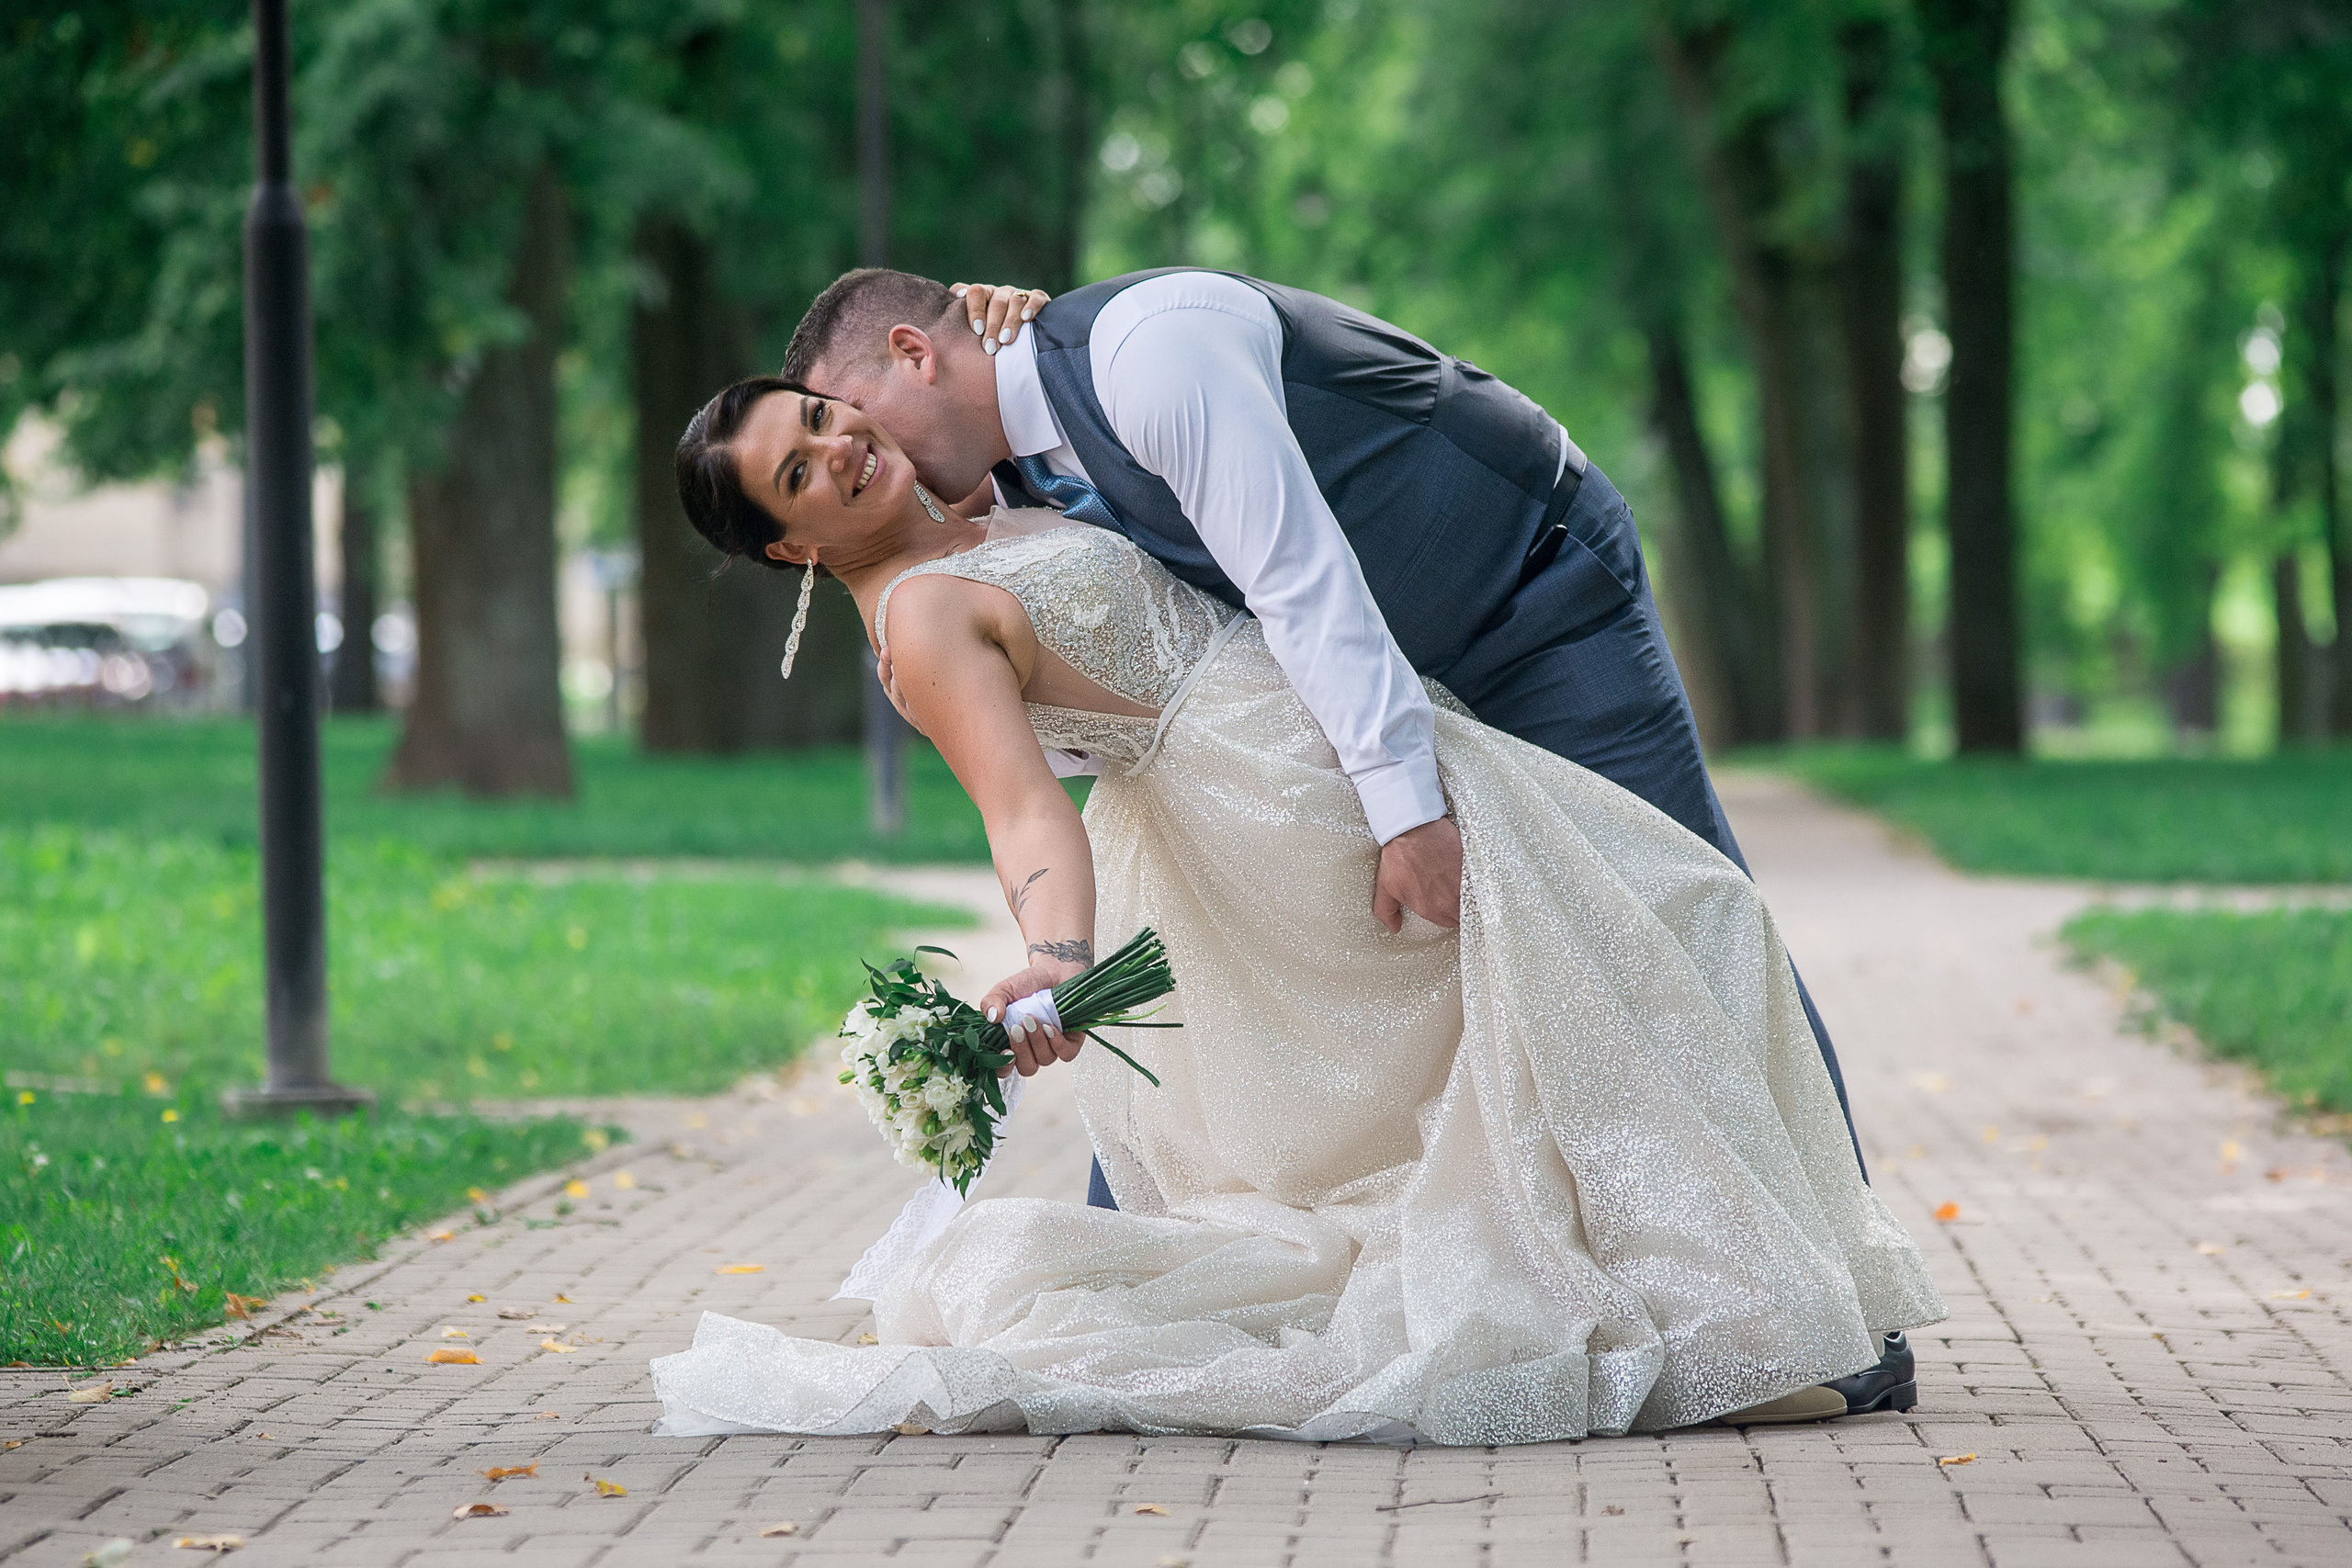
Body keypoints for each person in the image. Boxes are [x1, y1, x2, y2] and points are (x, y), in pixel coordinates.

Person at [647, 379, 1944, 1442]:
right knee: (1624, 946)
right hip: (1267, 799)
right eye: (802, 471)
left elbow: (1022, 445)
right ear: (789, 546)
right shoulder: (921, 618)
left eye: (822, 415)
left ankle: (1747, 1316)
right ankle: (1735, 1338)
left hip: (1298, 737)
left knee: (1616, 954)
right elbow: (1022, 806)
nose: (840, 447)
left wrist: (1010, 332)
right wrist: (1055, 960)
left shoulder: (953, 525)